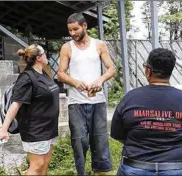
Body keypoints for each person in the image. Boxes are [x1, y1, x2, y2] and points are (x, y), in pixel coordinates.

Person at [111, 48, 182, 176]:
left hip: (136, 166)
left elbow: (117, 135)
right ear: (170, 71)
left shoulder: (130, 98)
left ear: (148, 70)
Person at [57, 13, 116, 175]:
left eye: (75, 29)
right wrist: (75, 82)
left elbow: (111, 69)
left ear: (84, 26)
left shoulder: (99, 45)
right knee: (79, 140)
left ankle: (100, 171)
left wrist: (101, 80)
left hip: (97, 101)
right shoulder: (67, 48)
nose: (72, 33)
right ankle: (81, 172)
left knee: (100, 140)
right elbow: (61, 73)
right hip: (76, 102)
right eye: (70, 30)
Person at [0, 44, 60, 175]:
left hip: (49, 128)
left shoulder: (44, 74)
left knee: (46, 162)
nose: (47, 55)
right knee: (37, 165)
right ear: (40, 57)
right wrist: (3, 129)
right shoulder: (27, 78)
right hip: (35, 130)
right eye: (45, 53)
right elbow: (15, 105)